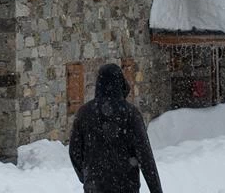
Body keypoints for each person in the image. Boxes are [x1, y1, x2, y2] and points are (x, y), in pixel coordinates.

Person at [69, 63, 163, 193]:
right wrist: (156, 189)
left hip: (95, 186)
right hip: (126, 185)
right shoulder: (130, 114)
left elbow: (75, 152)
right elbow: (145, 155)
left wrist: (87, 176)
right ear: (120, 82)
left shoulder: (84, 113)